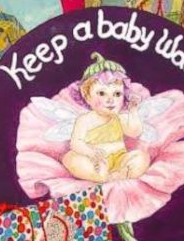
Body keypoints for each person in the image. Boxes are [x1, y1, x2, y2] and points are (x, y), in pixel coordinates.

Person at [63, 53, 151, 183]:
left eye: (117, 94)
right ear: (87, 96)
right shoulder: (84, 120)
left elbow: (135, 132)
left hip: (119, 159)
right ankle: (100, 176)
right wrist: (91, 153)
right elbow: (76, 143)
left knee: (141, 157)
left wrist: (133, 111)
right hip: (93, 160)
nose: (111, 100)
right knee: (71, 159)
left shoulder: (119, 117)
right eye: (102, 93)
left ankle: (120, 174)